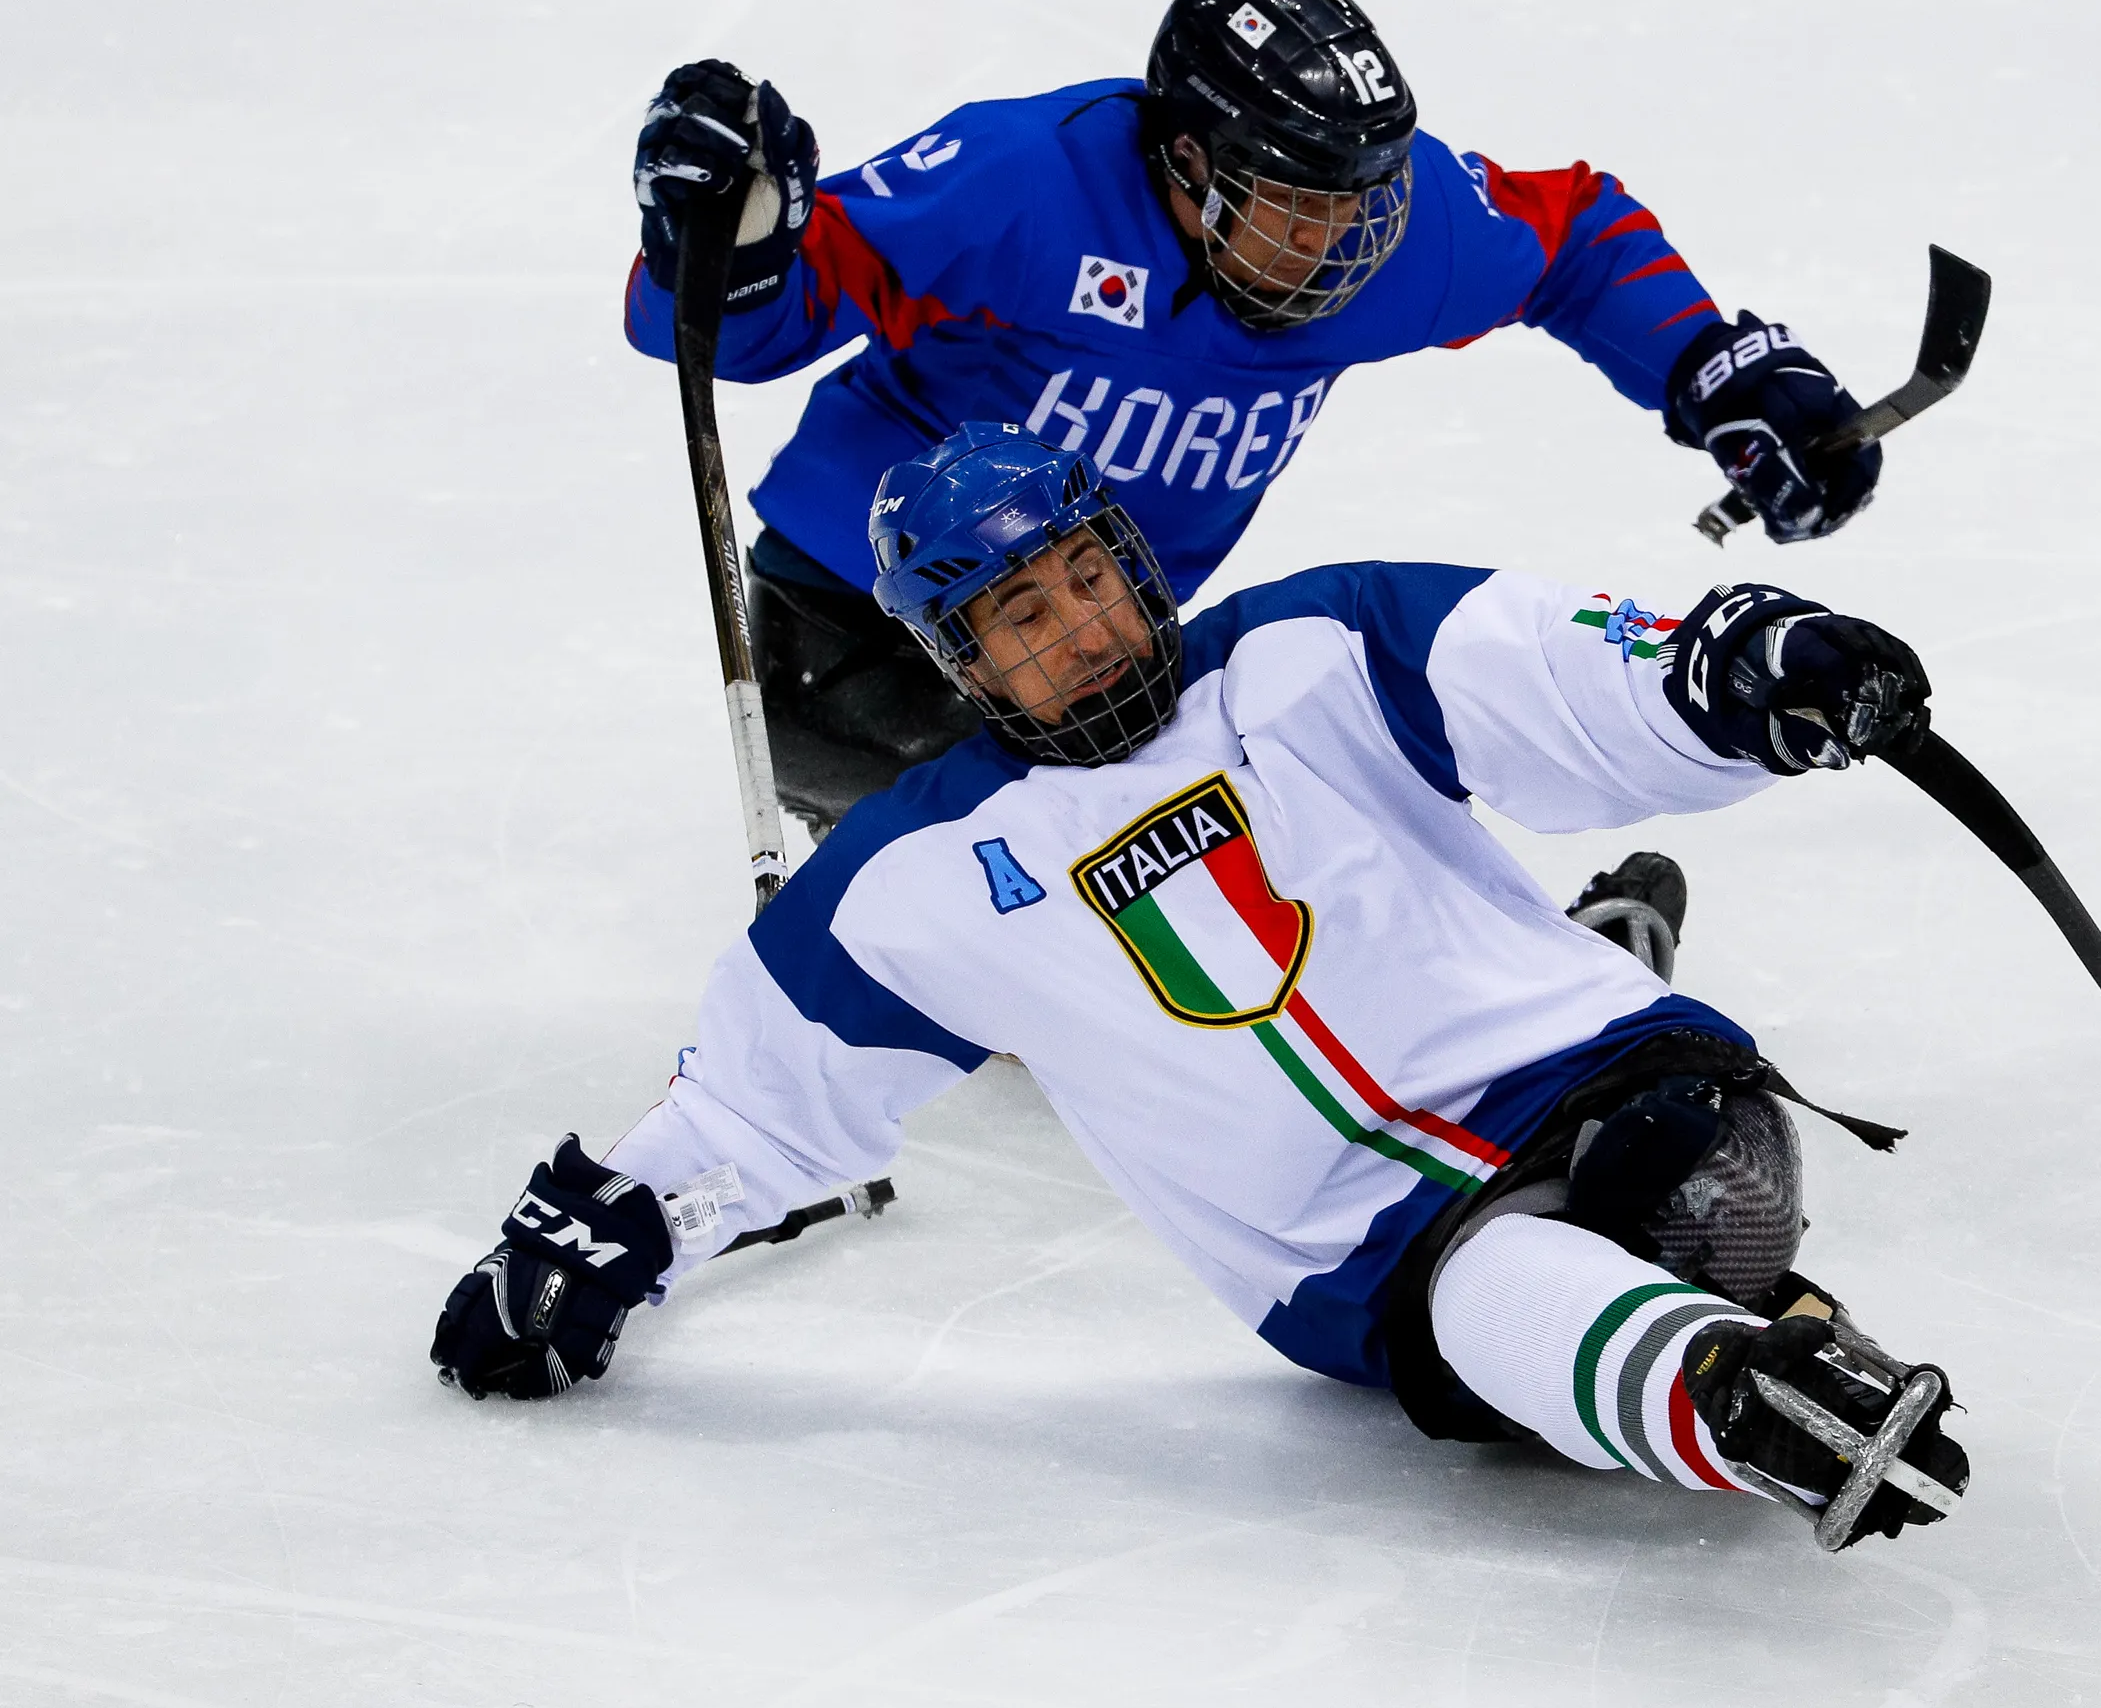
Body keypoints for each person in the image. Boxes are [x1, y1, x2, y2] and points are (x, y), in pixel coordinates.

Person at [430, 425, 1967, 1551]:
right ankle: (1731, 1393)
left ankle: (1627, 1051)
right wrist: (602, 1240)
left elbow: (1572, 678)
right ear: (959, 659)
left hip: (1629, 1096)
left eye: (1089, 576)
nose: (1083, 626)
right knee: (1495, 1285)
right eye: (1025, 616)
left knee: (1689, 1189)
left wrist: (1738, 679)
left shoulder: (1317, 643)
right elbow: (756, 1103)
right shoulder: (922, 874)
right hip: (1377, 1255)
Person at [626, 0, 1886, 828]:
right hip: (857, 631)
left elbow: (1574, 242)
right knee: (1135, 861)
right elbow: (732, 330)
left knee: (1308, 785)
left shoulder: (1390, 238)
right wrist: (725, 241)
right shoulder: (1023, 184)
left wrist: (1720, 370)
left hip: (1108, 653)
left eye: (1363, 202)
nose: (1345, 244)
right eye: (1302, 206)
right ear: (1187, 160)